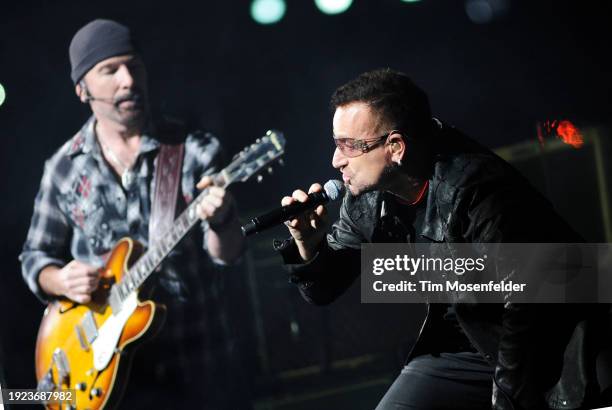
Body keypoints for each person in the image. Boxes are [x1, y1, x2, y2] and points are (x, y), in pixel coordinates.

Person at [275, 68, 608, 409]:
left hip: (556, 341)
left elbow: (527, 308)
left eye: (350, 146)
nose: (336, 160)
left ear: (396, 147)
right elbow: (324, 290)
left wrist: (506, 399)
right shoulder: (365, 196)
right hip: (469, 344)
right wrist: (308, 241)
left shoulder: (476, 187)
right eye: (336, 143)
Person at [19, 19, 250, 409]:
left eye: (134, 65)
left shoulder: (194, 151)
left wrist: (222, 219)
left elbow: (227, 254)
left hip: (197, 365)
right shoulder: (63, 168)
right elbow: (33, 258)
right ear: (82, 90)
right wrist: (59, 278)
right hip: (109, 379)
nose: (127, 79)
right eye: (109, 70)